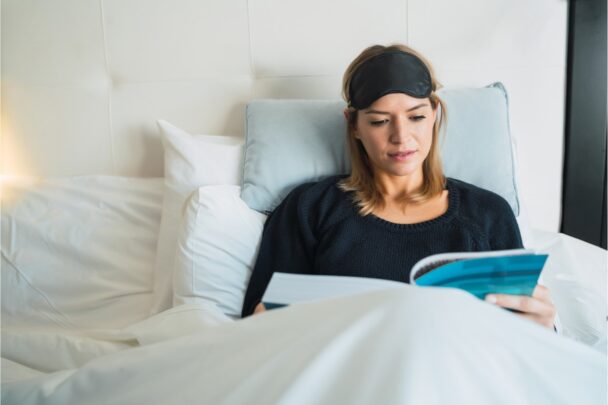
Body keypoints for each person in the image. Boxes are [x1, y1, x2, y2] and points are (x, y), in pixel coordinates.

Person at [241, 44, 556, 329]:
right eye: (379, 121)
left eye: (416, 117)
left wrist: (541, 328)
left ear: (435, 114)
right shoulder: (311, 208)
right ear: (354, 125)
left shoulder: (488, 213)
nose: (401, 137)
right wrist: (264, 326)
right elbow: (254, 328)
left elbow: (522, 342)